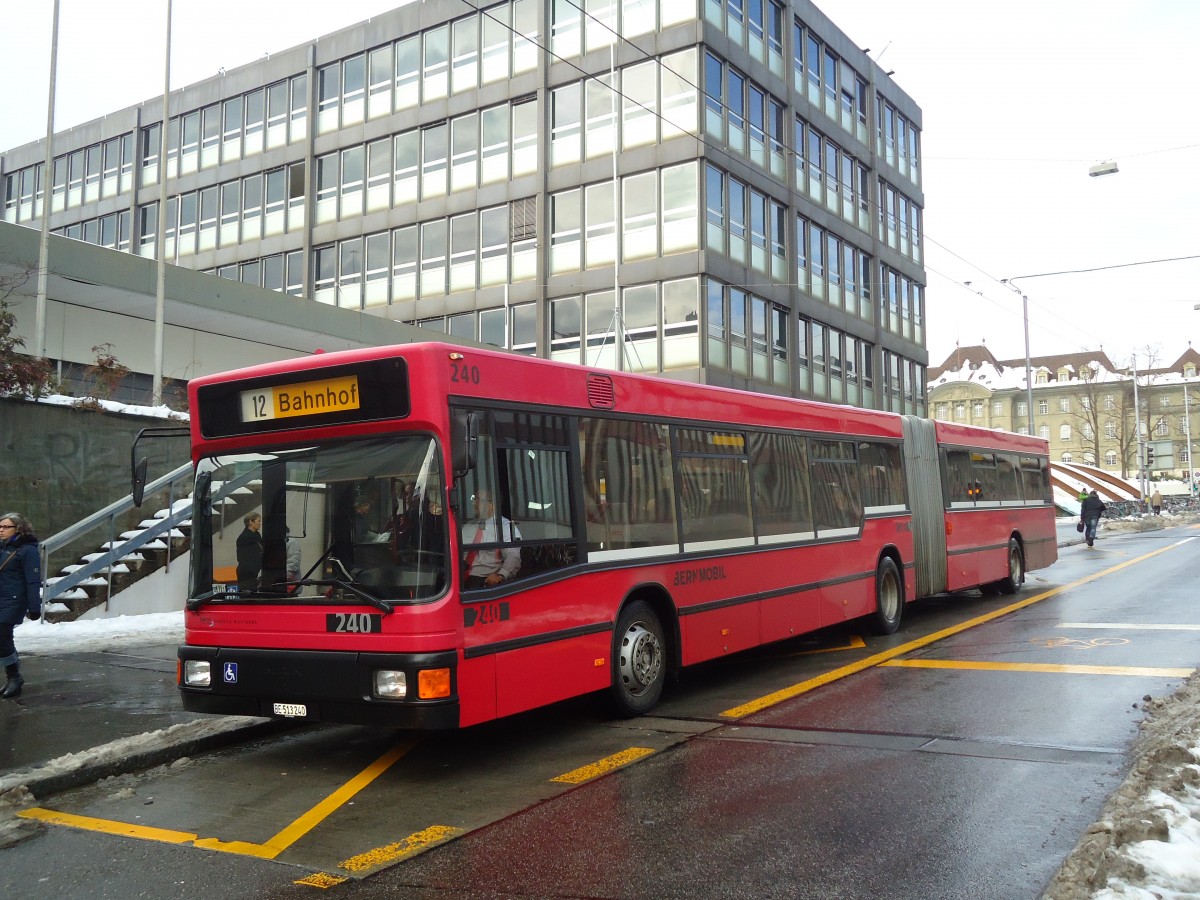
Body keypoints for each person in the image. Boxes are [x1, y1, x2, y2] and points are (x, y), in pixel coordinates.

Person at [0, 512, 42, 699]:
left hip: (15, 600)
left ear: (18, 528)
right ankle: (13, 675)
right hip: (2, 598)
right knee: (4, 637)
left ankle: (14, 676)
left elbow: (33, 581)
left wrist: (34, 607)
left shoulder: (28, 550)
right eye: (0, 527)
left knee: (1, 634)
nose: (1, 530)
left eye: (6, 527)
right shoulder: (3, 548)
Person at [461, 490, 521, 589]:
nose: (473, 503)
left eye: (478, 500)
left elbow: (513, 556)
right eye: (474, 499)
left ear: (492, 504)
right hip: (458, 577)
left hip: (484, 579)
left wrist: (501, 575)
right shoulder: (469, 526)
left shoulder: (505, 527)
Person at [236, 512, 264, 592]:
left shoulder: (257, 535)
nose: (260, 523)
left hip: (254, 571)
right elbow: (242, 557)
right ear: (251, 522)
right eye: (258, 521)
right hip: (247, 573)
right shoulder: (244, 537)